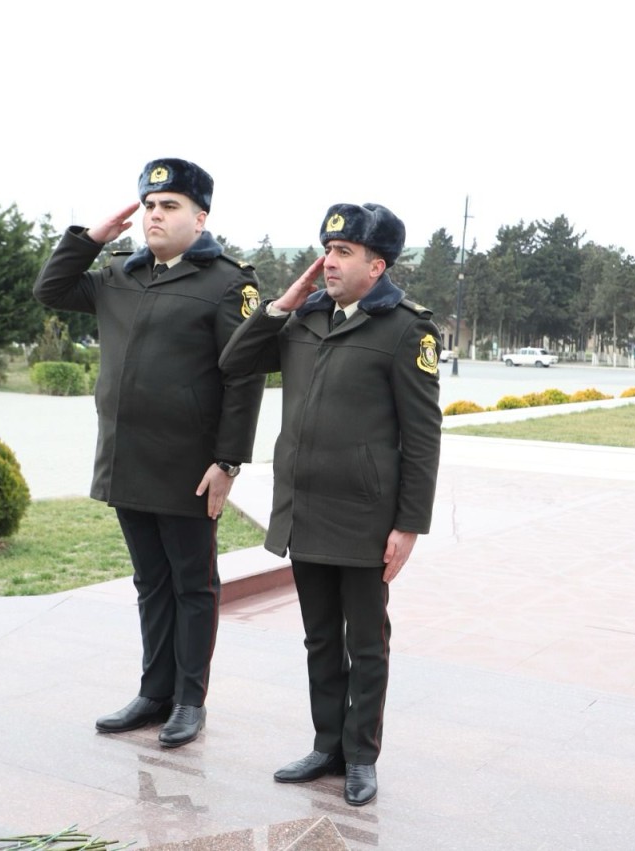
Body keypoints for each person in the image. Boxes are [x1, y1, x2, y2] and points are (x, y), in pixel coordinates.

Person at [34, 158, 265, 748]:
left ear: (200, 216)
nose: (155, 216)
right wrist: (91, 240)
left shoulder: (226, 285)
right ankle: (153, 692)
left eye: (170, 207)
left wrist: (228, 461)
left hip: (189, 466)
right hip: (126, 458)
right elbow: (51, 288)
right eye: (150, 206)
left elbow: (244, 379)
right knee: (150, 582)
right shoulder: (119, 275)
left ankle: (190, 699)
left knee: (193, 584)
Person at [219, 203, 442, 807]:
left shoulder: (405, 329)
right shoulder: (304, 317)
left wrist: (409, 525)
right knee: (319, 636)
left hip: (367, 515)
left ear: (378, 264)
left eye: (343, 252)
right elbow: (234, 362)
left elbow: (423, 437)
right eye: (327, 249)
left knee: (365, 641)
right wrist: (282, 305)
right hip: (304, 507)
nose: (329, 262)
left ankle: (361, 756)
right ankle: (326, 746)